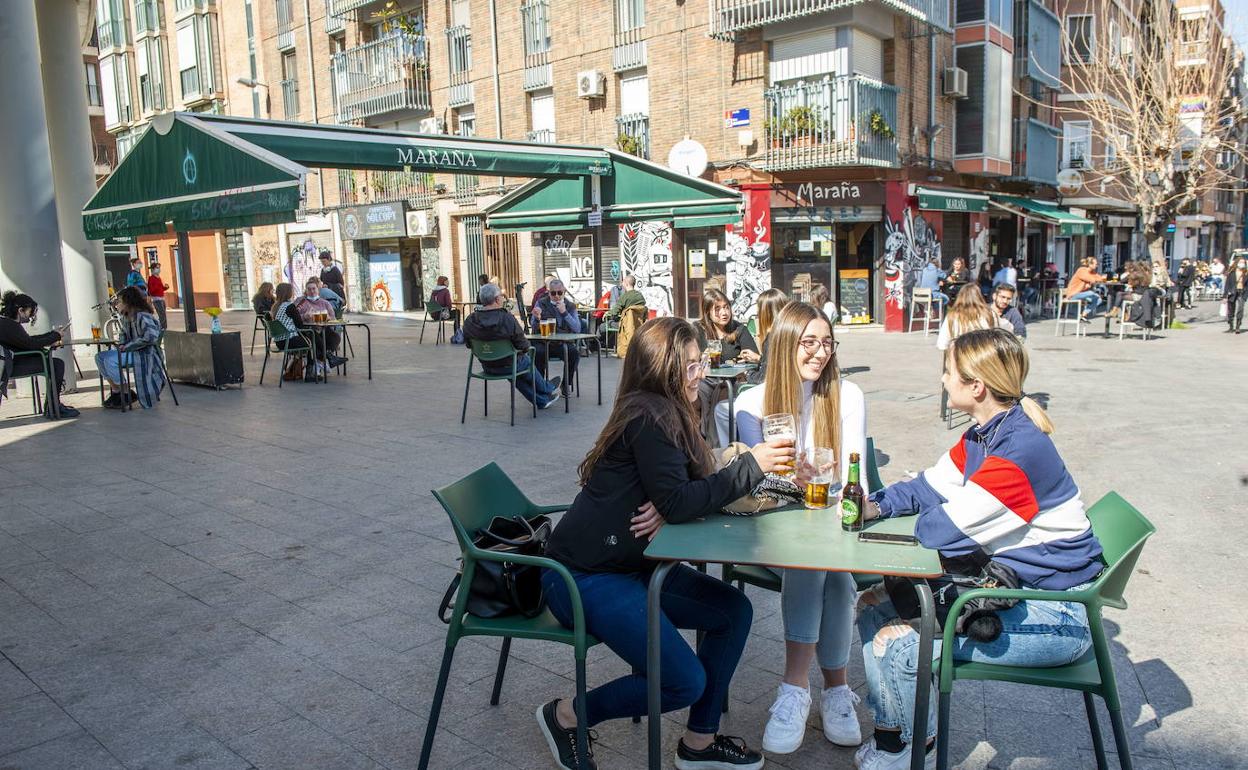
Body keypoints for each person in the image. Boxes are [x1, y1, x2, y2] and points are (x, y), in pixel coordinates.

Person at [539, 317, 794, 770]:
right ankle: (566, 715)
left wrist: (672, 498)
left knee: (732, 612)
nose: (702, 374)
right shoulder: (648, 415)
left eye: (702, 363)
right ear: (661, 370)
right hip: (583, 576)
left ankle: (699, 742)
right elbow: (679, 499)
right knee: (681, 681)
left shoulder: (670, 409)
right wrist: (746, 467)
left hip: (637, 567)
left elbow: (683, 490)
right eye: (691, 367)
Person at [853, 328, 1104, 770]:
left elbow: (937, 530)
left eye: (948, 371)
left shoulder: (1018, 452)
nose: (943, 379)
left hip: (1059, 613)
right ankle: (893, 741)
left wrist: (939, 509)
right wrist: (875, 505)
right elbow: (928, 486)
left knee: (900, 645)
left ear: (976, 386)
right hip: (1020, 590)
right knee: (873, 607)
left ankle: (918, 752)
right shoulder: (985, 435)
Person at [734, 302, 868, 755]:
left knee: (831, 568)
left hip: (828, 524)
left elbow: (856, 479)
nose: (820, 352)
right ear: (786, 344)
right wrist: (793, 478)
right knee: (812, 564)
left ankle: (812, 692)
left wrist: (840, 498)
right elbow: (758, 481)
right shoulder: (750, 403)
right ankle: (818, 688)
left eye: (827, 342)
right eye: (809, 342)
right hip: (771, 530)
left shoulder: (847, 396)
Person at [463, 282, 562, 409]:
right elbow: (523, 345)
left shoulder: (470, 320)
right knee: (522, 361)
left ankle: (542, 400)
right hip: (509, 365)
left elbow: (468, 344)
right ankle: (546, 387)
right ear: (497, 299)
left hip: (488, 366)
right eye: (501, 296)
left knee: (515, 367)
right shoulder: (506, 318)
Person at [696, 288, 759, 445]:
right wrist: (701, 358)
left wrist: (746, 360)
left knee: (723, 391)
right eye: (717, 309)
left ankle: (716, 445)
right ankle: (702, 440)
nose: (724, 313)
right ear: (707, 312)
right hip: (706, 378)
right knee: (700, 391)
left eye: (726, 307)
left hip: (733, 380)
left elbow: (753, 357)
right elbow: (690, 358)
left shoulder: (738, 329)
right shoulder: (698, 330)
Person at [0, 291, 77, 418]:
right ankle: (53, 406)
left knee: (53, 362)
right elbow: (31, 344)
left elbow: (27, 341)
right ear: (20, 310)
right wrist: (55, 336)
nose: (31, 316)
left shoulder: (6, 323)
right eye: (30, 312)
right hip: (11, 366)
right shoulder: (10, 326)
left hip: (12, 362)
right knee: (57, 364)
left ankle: (52, 405)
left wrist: (51, 335)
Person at [95, 286, 166, 409]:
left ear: (128, 302)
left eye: (120, 302)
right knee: (100, 357)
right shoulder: (126, 317)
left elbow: (151, 336)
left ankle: (126, 392)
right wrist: (122, 344)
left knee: (110, 361)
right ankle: (117, 390)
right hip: (131, 351)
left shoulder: (143, 316)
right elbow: (123, 333)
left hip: (144, 353)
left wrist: (128, 346)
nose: (117, 305)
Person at [531, 279, 581, 394]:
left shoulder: (570, 305)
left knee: (573, 353)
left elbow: (577, 328)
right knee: (537, 352)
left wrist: (565, 313)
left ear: (564, 292)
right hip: (544, 342)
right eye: (553, 293)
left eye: (559, 293)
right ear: (549, 293)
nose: (556, 296)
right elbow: (533, 326)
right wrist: (537, 318)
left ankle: (566, 384)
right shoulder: (541, 303)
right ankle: (541, 386)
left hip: (562, 343)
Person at [936, 284, 1005, 351]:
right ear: (980, 296)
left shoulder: (952, 316)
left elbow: (942, 343)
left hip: (960, 355)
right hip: (983, 355)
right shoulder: (989, 313)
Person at [1064, 257, 1107, 322]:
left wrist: (1100, 278)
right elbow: (1092, 279)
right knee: (1091, 292)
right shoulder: (1081, 270)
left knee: (1098, 299)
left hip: (1081, 294)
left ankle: (1083, 315)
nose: (1097, 265)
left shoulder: (1092, 272)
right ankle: (1082, 315)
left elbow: (1100, 278)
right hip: (1073, 294)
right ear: (1090, 264)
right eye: (1096, 264)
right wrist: (1097, 279)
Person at [1224, 254, 1248, 333]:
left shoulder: (1246, 273)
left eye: (1243, 262)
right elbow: (1227, 284)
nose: (1242, 264)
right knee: (1231, 309)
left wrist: (1246, 294)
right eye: (1241, 262)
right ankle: (1231, 326)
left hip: (1242, 292)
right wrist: (1225, 295)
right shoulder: (1231, 272)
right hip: (1232, 292)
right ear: (1237, 263)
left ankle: (1238, 326)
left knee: (1240, 308)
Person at [146, 263, 168, 329]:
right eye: (157, 268)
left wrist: (165, 287)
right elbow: (151, 290)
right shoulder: (151, 278)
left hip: (162, 298)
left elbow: (161, 288)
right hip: (156, 299)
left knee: (163, 314)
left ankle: (163, 327)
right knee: (162, 315)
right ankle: (162, 328)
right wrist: (158, 287)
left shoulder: (159, 278)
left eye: (159, 268)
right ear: (153, 269)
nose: (159, 269)